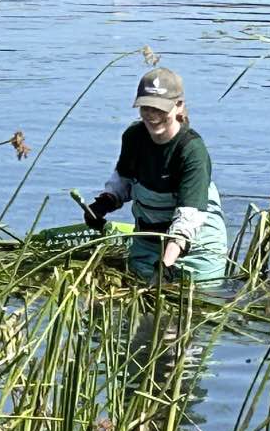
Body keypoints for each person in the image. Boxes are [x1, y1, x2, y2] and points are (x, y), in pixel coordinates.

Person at [84, 66, 227, 285]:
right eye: (146, 107)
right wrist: (104, 203)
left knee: (197, 302)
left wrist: (165, 265)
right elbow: (124, 180)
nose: (152, 115)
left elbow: (188, 219)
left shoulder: (191, 150)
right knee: (139, 297)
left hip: (196, 248)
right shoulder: (134, 137)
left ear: (178, 105)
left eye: (160, 108)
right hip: (147, 243)